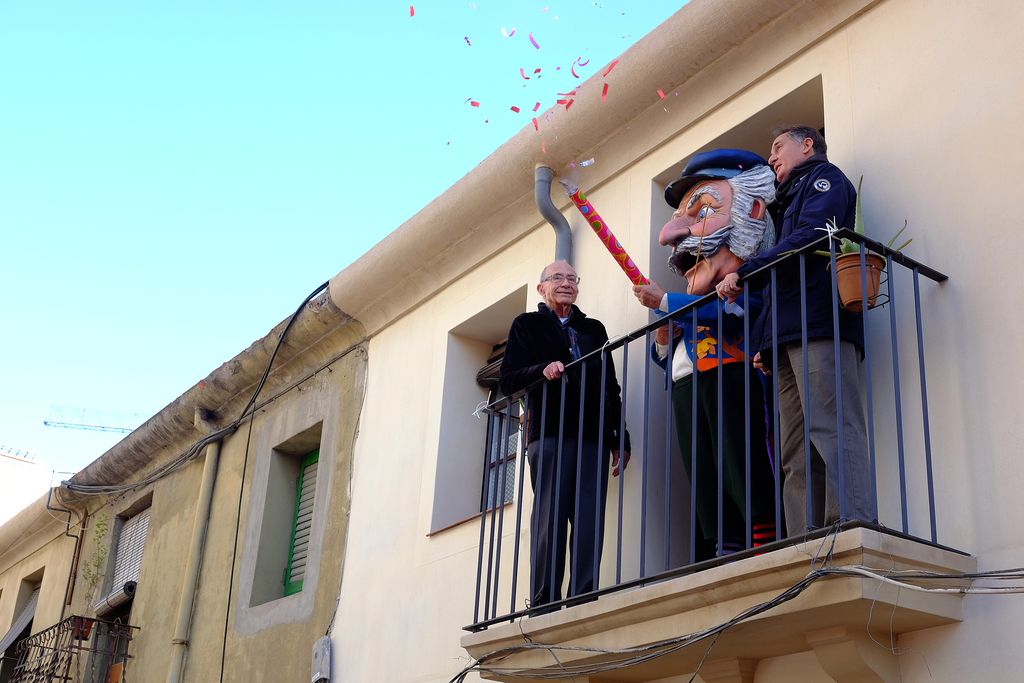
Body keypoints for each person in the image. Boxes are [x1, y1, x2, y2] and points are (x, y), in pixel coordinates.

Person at [716, 126, 877, 535]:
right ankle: (805, 538)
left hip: (820, 326)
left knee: (833, 426)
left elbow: (811, 237)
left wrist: (746, 269)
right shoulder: (782, 207)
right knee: (794, 448)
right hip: (785, 338)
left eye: (777, 147)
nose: (771, 158)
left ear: (808, 145)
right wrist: (762, 344)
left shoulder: (826, 181)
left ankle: (849, 522)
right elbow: (779, 282)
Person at [633, 149, 778, 560]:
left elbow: (734, 314)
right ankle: (724, 542)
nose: (671, 235)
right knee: (703, 470)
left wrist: (666, 302)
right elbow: (669, 354)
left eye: (702, 212)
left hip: (732, 373)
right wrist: (663, 336)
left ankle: (762, 535)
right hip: (688, 386)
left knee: (740, 460)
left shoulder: (751, 279)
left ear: (752, 211)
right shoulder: (688, 299)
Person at [500, 260, 630, 612]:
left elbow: (610, 385)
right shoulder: (527, 325)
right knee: (551, 518)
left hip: (593, 436)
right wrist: (542, 370)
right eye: (557, 278)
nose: (566, 283)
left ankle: (583, 599)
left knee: (590, 520)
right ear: (542, 287)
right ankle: (544, 602)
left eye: (572, 278)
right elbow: (508, 379)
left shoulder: (593, 328)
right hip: (550, 433)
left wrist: (620, 438)